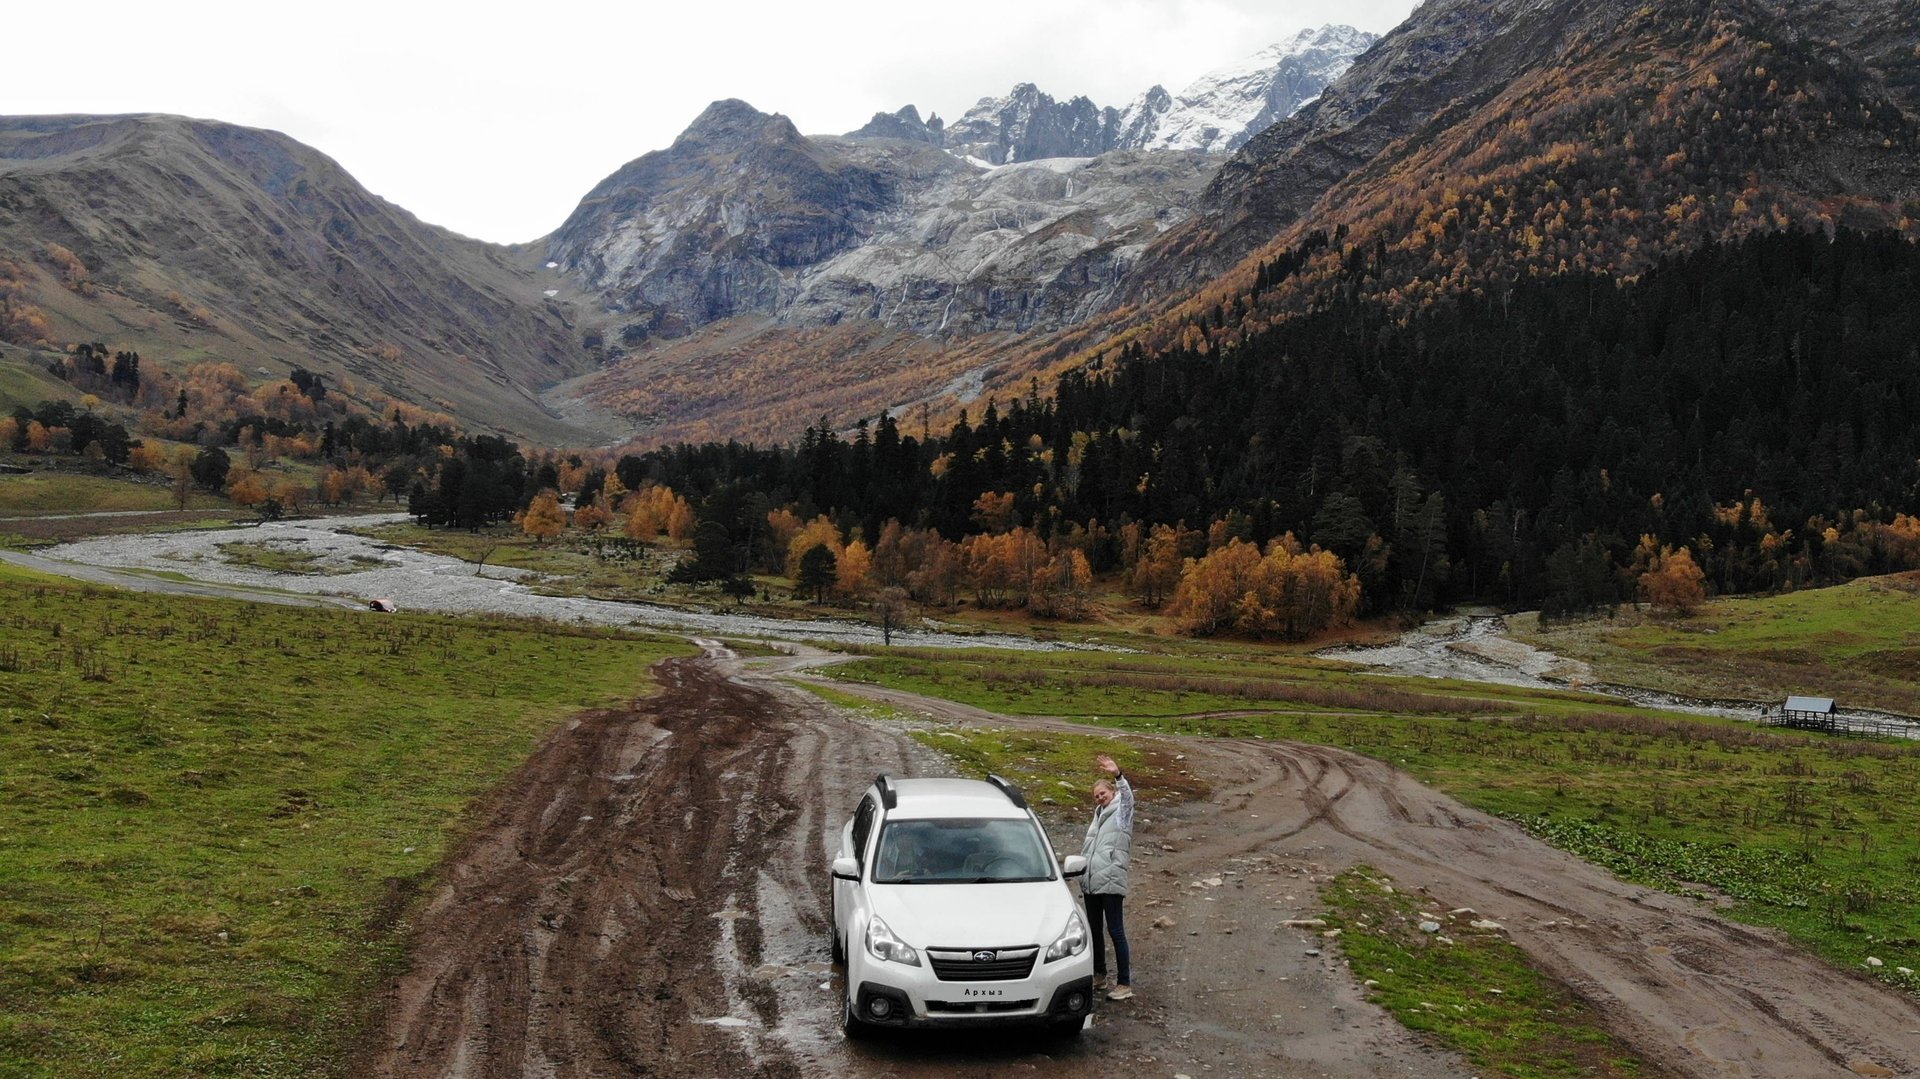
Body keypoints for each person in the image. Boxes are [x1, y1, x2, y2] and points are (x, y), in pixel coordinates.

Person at [1080, 753, 1134, 1000]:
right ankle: (1099, 975)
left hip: (1110, 879)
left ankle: (1124, 983)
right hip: (1092, 881)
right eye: (1096, 796)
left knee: (1115, 930)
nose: (1100, 798)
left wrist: (1117, 774)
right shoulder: (1098, 815)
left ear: (1112, 792)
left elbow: (1128, 799)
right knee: (1094, 930)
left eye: (1103, 793)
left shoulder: (1122, 812)